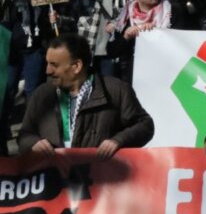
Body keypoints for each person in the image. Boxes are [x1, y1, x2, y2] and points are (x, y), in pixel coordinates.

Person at [19, 34, 154, 157]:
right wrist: (33, 143)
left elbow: (145, 125)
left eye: (54, 65)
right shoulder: (42, 94)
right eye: (47, 63)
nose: (47, 71)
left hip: (101, 173)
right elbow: (25, 134)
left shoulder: (116, 90)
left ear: (77, 66)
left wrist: (118, 140)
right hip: (54, 174)